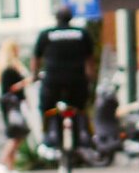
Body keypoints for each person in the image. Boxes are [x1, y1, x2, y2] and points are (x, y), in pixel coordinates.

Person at [32, 7, 96, 142]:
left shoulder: (47, 34)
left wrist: (34, 75)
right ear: (71, 18)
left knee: (46, 107)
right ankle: (85, 136)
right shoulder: (81, 33)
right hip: (77, 81)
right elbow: (90, 59)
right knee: (80, 108)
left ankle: (46, 135)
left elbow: (36, 58)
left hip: (53, 81)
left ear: (56, 18)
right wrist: (91, 77)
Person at [0, 41, 32, 173]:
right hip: (11, 105)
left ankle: (10, 167)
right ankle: (2, 162)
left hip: (12, 104)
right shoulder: (9, 69)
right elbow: (12, 88)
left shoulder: (9, 67)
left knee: (16, 134)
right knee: (15, 134)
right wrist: (26, 81)